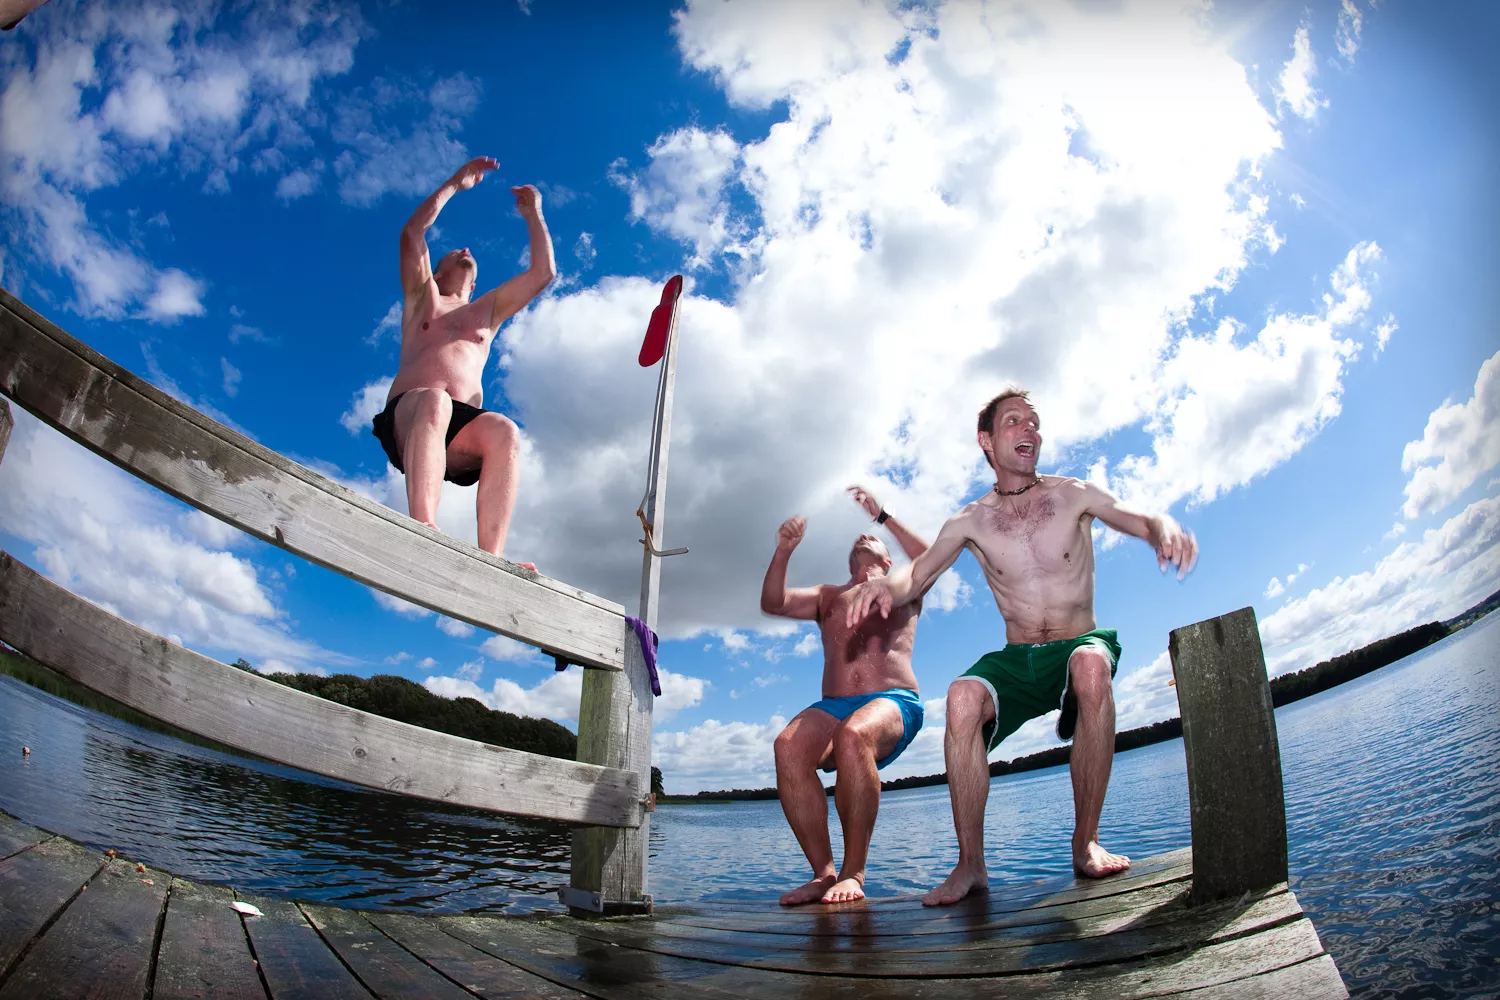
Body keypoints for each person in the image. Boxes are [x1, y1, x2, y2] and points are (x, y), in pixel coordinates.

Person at [845, 389, 1197, 906]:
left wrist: (1162, 526)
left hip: (1079, 643)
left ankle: (1086, 842)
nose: (1030, 430)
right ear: (986, 440)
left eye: (1034, 422)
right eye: (1015, 421)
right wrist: (886, 587)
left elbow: (1136, 517)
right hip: (1017, 657)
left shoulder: (1071, 493)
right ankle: (971, 866)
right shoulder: (971, 520)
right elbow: (917, 576)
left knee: (1090, 667)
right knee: (962, 696)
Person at [370, 156, 555, 565]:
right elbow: (412, 232)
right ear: (436, 272)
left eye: (468, 255)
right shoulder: (423, 299)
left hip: (460, 435)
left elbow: (543, 273)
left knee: (505, 430)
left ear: (475, 285)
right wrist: (455, 183)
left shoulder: (488, 311)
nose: (467, 249)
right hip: (410, 420)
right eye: (455, 251)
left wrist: (533, 214)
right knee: (435, 400)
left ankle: (492, 557)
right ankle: (424, 526)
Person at [760, 485, 930, 905]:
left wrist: (883, 517)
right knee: (787, 747)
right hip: (832, 705)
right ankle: (823, 874)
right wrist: (783, 550)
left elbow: (932, 555)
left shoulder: (904, 585)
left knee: (855, 735)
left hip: (894, 701)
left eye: (871, 541)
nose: (861, 539)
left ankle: (854, 872)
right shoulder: (828, 597)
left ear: (887, 559)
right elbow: (774, 602)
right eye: (857, 541)